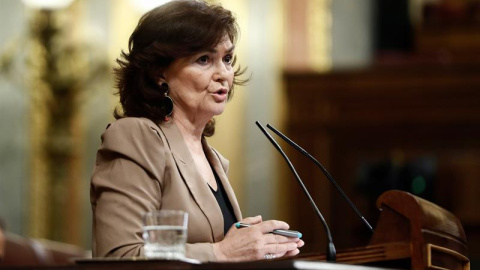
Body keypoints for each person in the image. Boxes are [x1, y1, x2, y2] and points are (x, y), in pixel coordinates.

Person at [90, 0, 304, 262]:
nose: (223, 74)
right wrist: (222, 251)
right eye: (204, 59)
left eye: (226, 59)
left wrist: (251, 247)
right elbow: (119, 257)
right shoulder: (136, 136)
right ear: (160, 73)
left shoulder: (213, 158)